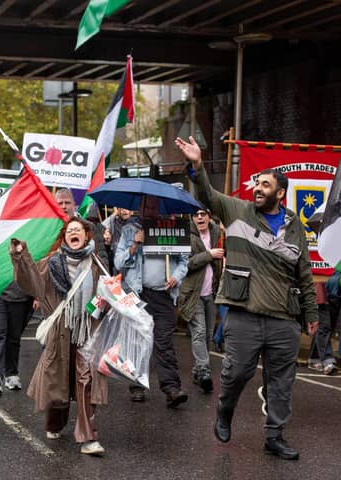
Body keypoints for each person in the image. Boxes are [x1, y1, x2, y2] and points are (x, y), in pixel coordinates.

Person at [176, 135, 318, 461]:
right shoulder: (237, 210)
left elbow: (304, 273)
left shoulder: (295, 226)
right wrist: (197, 165)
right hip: (244, 313)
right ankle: (225, 411)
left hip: (284, 318)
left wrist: (310, 312)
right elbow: (207, 196)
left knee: (281, 383)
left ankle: (275, 436)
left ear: (280, 193)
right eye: (256, 183)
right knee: (237, 372)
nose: (257, 188)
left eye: (265, 185)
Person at [10, 218, 108, 456]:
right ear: (64, 237)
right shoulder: (51, 263)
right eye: (69, 231)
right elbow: (31, 283)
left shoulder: (96, 264)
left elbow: (102, 299)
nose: (74, 233)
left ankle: (88, 438)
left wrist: (107, 295)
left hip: (88, 332)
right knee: (59, 383)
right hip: (60, 332)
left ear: (86, 235)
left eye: (78, 230)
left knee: (86, 381)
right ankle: (55, 423)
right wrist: (21, 256)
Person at [114, 196, 189, 406]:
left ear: (159, 207)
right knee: (137, 340)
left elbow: (184, 260)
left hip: (163, 295)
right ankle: (136, 385)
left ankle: (172, 389)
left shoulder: (171, 229)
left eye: (154, 205)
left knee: (164, 342)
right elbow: (118, 262)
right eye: (146, 205)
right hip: (137, 294)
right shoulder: (129, 230)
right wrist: (135, 245)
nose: (150, 209)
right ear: (140, 207)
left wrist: (177, 275)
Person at [178, 208, 224, 393]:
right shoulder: (185, 235)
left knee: (206, 336)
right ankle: (204, 371)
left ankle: (198, 370)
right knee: (199, 331)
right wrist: (209, 255)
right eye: (196, 215)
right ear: (191, 218)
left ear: (209, 216)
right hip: (192, 293)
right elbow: (185, 265)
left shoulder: (215, 232)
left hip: (210, 293)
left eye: (203, 214)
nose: (199, 218)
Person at [0, 282, 34, 396]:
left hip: (21, 296)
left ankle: (11, 374)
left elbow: (34, 267)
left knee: (13, 337)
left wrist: (37, 296)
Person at [54, 188, 110, 273]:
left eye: (67, 203)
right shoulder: (52, 229)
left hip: (86, 276)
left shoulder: (89, 226)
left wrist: (104, 278)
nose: (64, 206)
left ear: (74, 204)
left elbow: (101, 255)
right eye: (60, 203)